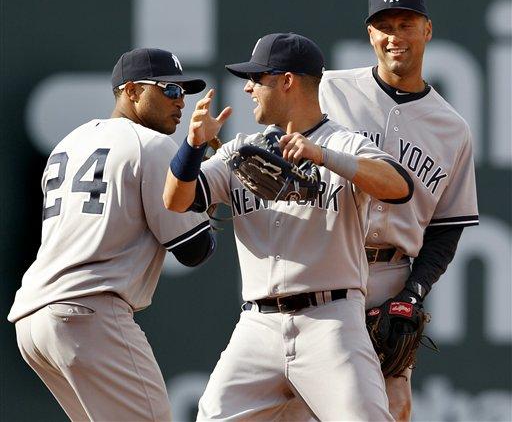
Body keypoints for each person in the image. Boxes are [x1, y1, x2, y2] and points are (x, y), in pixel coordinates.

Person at [163, 32, 414, 421]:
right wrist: (193, 147)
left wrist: (323, 156)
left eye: (257, 79)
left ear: (287, 81)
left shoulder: (343, 144)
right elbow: (177, 200)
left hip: (330, 322)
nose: (247, 88)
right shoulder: (240, 151)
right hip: (257, 326)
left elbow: (400, 186)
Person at [8, 48, 215, 421]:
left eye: (185, 91)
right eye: (169, 89)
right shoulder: (151, 145)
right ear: (132, 91)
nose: (181, 101)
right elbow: (194, 249)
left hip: (34, 321)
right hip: (88, 312)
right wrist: (211, 190)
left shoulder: (69, 143)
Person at [319, 0, 479, 421]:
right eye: (383, 26)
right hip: (325, 260)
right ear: (370, 35)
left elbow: (447, 230)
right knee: (306, 401)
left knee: (393, 406)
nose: (394, 36)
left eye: (405, 24)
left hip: (390, 273)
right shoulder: (328, 91)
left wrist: (414, 291)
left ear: (427, 30)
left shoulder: (453, 128)